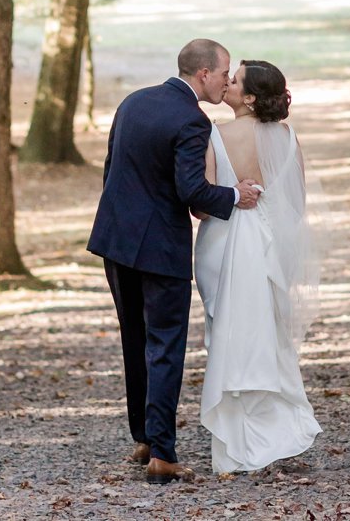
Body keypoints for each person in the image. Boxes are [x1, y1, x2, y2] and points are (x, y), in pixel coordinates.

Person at [88, 38, 261, 485]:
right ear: (204, 74)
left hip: (114, 240)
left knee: (135, 339)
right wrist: (234, 195)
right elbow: (192, 192)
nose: (227, 81)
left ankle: (145, 437)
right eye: (224, 73)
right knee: (165, 345)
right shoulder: (192, 119)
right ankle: (163, 454)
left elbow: (112, 170)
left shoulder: (133, 102)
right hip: (160, 248)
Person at [195, 59, 322, 473]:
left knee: (228, 334)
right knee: (266, 335)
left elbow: (203, 207)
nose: (227, 82)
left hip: (224, 240)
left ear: (248, 97)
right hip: (269, 247)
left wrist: (235, 198)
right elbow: (296, 205)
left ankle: (234, 444)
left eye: (235, 80)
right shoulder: (288, 138)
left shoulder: (215, 134)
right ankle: (274, 432)